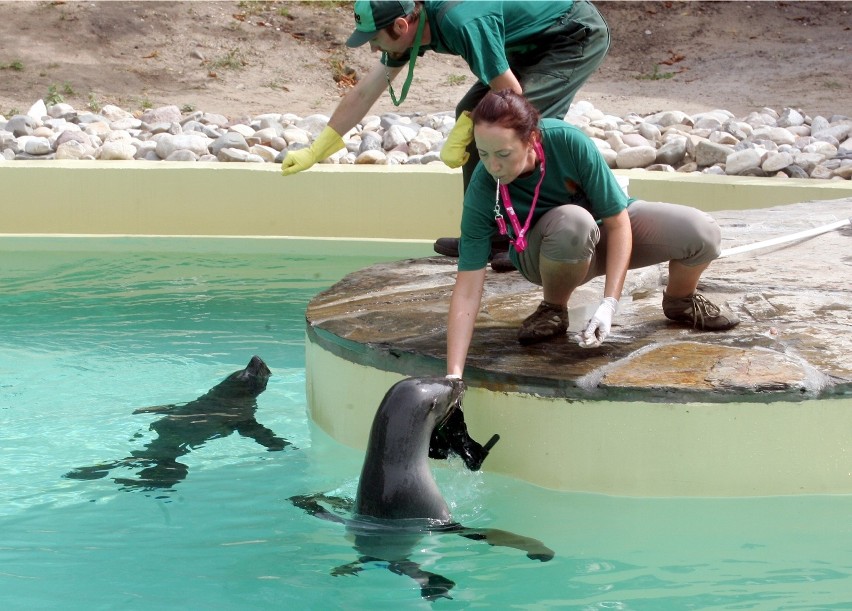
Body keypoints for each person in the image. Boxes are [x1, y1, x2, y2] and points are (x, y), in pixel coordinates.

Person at [279, 0, 611, 268]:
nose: (372, 48)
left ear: (400, 26)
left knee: (515, 130)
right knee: (476, 121)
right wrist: (317, 149)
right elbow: (366, 91)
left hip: (570, 34)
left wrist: (469, 123)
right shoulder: (413, 23)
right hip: (529, 44)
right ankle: (489, 236)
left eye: (374, 39)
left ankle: (533, 241)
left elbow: (511, 94)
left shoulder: (460, 20)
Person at [445, 90, 740, 378]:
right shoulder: (484, 186)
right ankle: (553, 308)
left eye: (503, 153)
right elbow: (468, 288)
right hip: (551, 252)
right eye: (483, 154)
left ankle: (681, 301)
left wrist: (609, 304)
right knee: (574, 223)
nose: (493, 166)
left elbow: (617, 219)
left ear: (532, 139)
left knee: (702, 232)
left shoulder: (566, 141)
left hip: (604, 235)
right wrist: (453, 376)